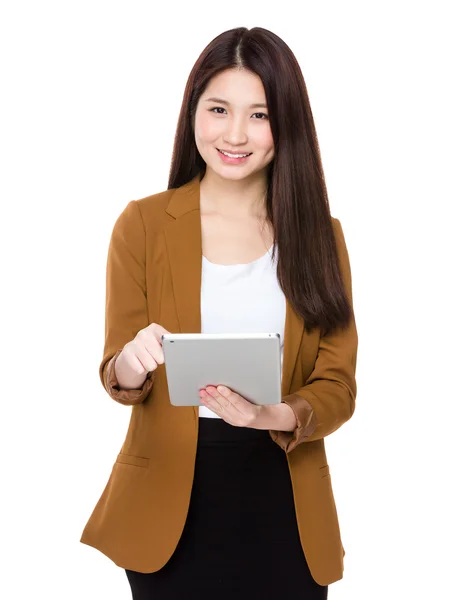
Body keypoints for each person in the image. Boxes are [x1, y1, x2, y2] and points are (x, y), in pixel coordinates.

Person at [80, 26, 358, 600]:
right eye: (219, 109)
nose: (236, 134)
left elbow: (338, 385)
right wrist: (132, 361)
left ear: (288, 123)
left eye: (259, 115)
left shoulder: (320, 238)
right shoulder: (144, 224)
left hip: (283, 496)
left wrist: (273, 415)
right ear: (193, 114)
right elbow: (115, 373)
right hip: (168, 505)